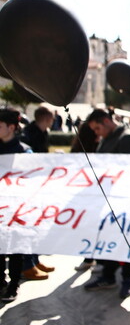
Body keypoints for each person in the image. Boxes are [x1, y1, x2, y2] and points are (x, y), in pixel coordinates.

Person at [83, 108, 130, 298]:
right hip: (107, 200)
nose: (97, 133)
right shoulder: (108, 138)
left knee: (126, 241)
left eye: (98, 128)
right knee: (109, 238)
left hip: (124, 200)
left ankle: (126, 280)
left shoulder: (127, 138)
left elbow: (129, 170)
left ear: (107, 121)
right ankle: (108, 275)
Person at [19, 106, 56, 281]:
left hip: (40, 182)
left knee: (37, 224)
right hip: (29, 185)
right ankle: (27, 265)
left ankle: (34, 260)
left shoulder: (42, 133)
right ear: (47, 118)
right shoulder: (28, 135)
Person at [0, 109, 33, 302]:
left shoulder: (24, 151)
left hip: (16, 209)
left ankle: (13, 284)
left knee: (14, 248)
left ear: (11, 127)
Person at [71, 121, 101, 272]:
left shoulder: (97, 147)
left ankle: (92, 258)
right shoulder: (88, 150)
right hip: (89, 194)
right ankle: (90, 257)